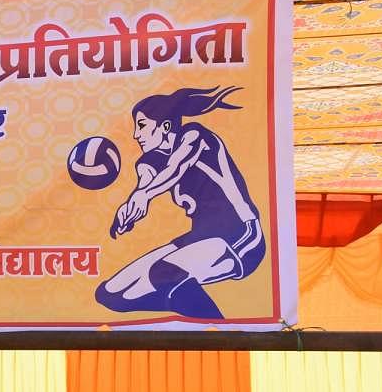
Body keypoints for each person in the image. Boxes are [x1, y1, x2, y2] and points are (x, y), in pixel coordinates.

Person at [95, 86, 264, 319]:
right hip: (199, 238)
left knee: (163, 273)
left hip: (239, 234)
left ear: (165, 127)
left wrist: (144, 195)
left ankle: (217, 330)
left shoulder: (195, 136)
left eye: (142, 125)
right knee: (110, 294)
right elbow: (146, 179)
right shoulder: (151, 160)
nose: (136, 135)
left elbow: (176, 168)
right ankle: (187, 307)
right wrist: (132, 205)